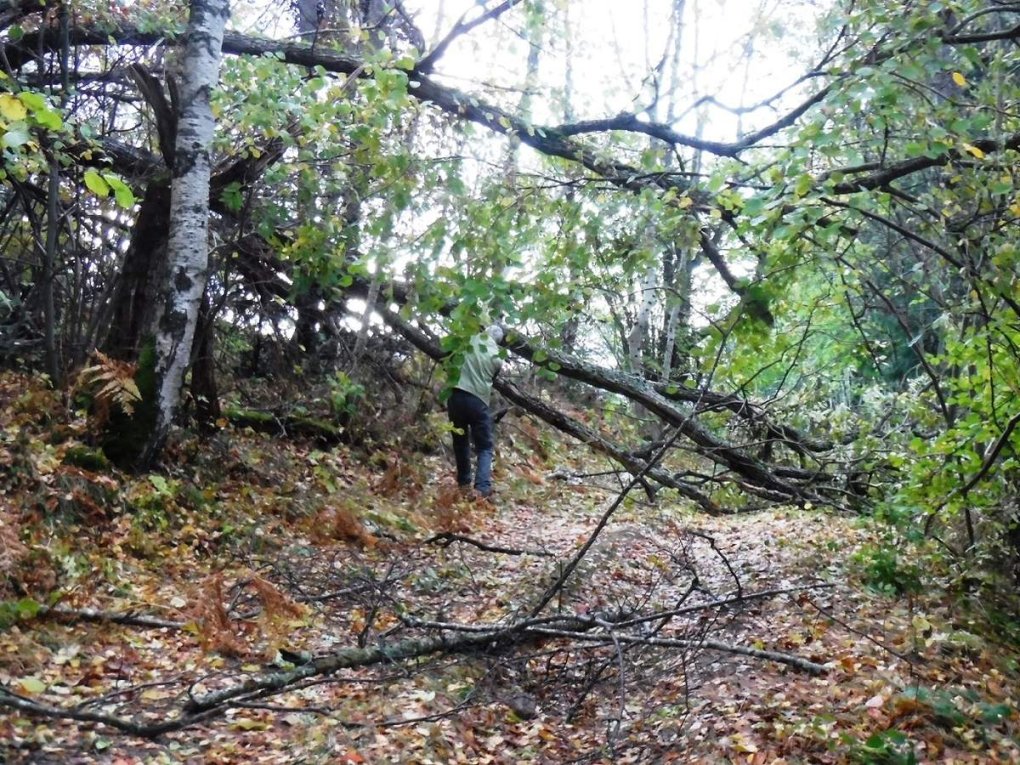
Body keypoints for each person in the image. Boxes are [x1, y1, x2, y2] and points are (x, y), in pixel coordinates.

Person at [447, 324, 504, 498]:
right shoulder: (497, 359)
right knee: (484, 447)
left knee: (460, 442)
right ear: (498, 341)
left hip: (455, 396)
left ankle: (464, 486)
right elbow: (493, 379)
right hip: (478, 401)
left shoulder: (468, 340)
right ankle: (482, 488)